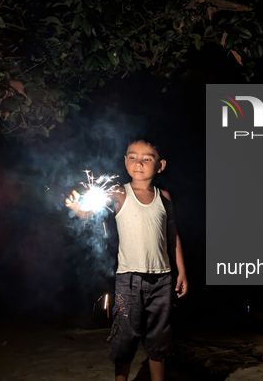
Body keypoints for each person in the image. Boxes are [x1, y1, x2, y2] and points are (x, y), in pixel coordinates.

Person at [65, 139, 188, 381]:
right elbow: (91, 209)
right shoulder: (118, 192)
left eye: (147, 158)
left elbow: (173, 236)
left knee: (159, 338)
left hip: (162, 279)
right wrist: (79, 209)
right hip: (128, 281)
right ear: (125, 161)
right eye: (132, 157)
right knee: (125, 337)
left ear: (160, 165)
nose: (138, 163)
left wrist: (181, 271)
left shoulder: (164, 197)